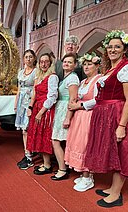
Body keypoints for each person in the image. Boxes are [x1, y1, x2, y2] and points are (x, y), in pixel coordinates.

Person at [84, 30, 128, 208]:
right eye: (110, 47)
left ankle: (116, 194)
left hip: (117, 115)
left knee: (121, 152)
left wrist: (122, 125)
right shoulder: (111, 69)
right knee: (113, 152)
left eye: (117, 47)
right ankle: (112, 188)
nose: (112, 49)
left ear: (125, 49)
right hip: (105, 116)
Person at [64, 52, 101, 191]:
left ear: (97, 66)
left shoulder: (98, 80)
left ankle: (88, 177)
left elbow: (97, 100)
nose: (86, 67)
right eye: (84, 64)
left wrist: (79, 105)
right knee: (78, 144)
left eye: (89, 64)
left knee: (86, 145)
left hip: (89, 116)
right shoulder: (82, 81)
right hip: (79, 117)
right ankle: (85, 175)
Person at [26, 53, 59, 175]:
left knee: (44, 135)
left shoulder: (52, 77)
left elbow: (52, 97)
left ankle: (47, 165)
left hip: (46, 109)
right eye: (41, 62)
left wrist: (40, 112)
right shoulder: (40, 76)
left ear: (50, 63)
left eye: (46, 61)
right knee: (39, 135)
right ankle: (45, 162)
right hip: (38, 108)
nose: (44, 64)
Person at [51, 53, 80, 181]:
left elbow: (73, 99)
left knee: (56, 140)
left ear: (75, 65)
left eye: (69, 62)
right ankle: (65, 166)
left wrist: (68, 117)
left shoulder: (73, 78)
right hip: (60, 108)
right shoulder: (65, 77)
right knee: (59, 140)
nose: (66, 64)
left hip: (65, 110)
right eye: (65, 62)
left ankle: (62, 169)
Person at [14, 49, 37, 169]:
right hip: (21, 103)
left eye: (30, 57)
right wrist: (15, 103)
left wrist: (31, 106)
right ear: (23, 59)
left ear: (34, 59)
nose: (28, 59)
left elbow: (36, 90)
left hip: (29, 102)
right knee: (23, 130)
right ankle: (27, 153)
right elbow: (18, 90)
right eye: (26, 57)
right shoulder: (21, 72)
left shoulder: (36, 72)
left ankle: (29, 156)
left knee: (26, 130)